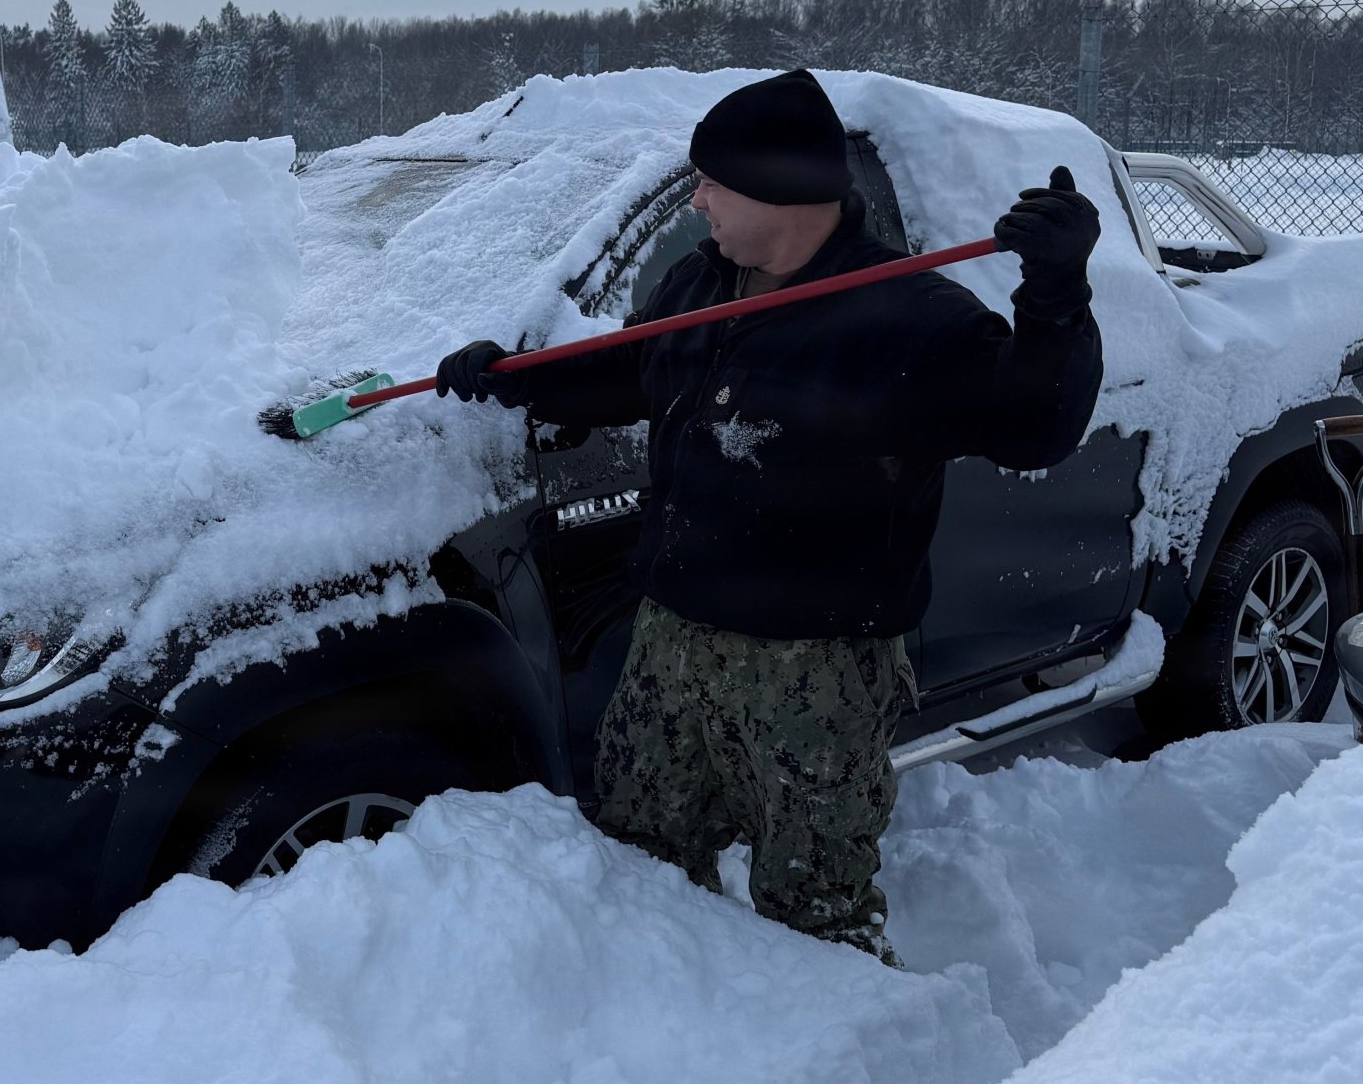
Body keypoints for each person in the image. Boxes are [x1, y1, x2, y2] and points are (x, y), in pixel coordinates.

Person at [434, 69, 1104, 961]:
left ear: (778, 191)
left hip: (813, 674)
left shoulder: (907, 317)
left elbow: (1035, 426)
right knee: (642, 872)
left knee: (813, 913)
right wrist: (516, 380)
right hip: (672, 643)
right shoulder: (703, 280)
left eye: (713, 182)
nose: (697, 199)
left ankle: (848, 1028)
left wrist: (1056, 298)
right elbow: (636, 370)